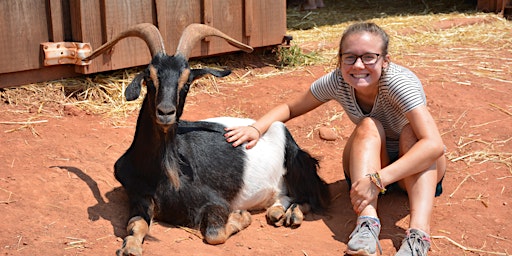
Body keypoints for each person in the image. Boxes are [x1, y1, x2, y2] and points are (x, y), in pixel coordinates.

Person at [224, 22, 446, 256]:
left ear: (385, 60)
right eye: (350, 57)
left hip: (406, 173)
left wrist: (379, 179)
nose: (358, 65)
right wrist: (257, 129)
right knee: (368, 125)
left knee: (412, 133)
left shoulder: (400, 83)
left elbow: (434, 145)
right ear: (339, 60)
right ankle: (367, 224)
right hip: (370, 172)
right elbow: (291, 108)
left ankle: (418, 236)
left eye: (369, 57)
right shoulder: (337, 80)